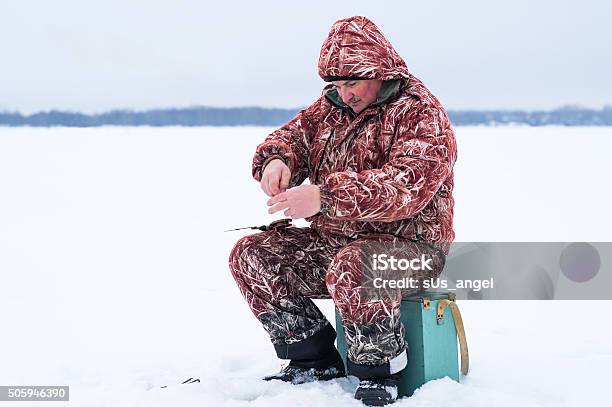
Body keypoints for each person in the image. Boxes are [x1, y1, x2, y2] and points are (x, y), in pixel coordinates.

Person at [228, 16, 457, 406]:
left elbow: (406, 187)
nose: (344, 93)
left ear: (379, 72)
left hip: (412, 249)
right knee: (252, 255)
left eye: (352, 83)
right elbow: (291, 137)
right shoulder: (330, 106)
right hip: (334, 241)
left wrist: (325, 196)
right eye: (335, 85)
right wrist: (275, 161)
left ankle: (379, 371)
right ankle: (312, 360)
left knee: (356, 265)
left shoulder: (421, 114)